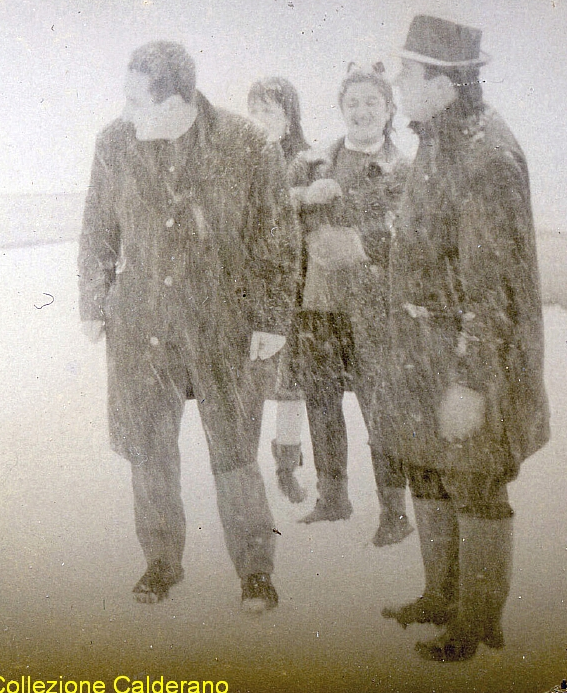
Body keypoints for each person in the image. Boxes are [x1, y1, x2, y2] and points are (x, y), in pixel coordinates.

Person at [79, 41, 299, 612]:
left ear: (174, 101)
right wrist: (92, 299)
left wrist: (274, 317)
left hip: (225, 323)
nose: (124, 111)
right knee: (149, 449)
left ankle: (255, 573)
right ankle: (160, 563)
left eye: (135, 100)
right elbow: (98, 227)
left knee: (235, 452)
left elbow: (277, 237)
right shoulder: (115, 143)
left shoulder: (246, 145)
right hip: (144, 322)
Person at [382, 15, 549, 661]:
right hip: (427, 349)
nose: (397, 81)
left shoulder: (488, 155)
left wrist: (471, 381)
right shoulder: (439, 139)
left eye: (408, 72)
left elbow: (495, 286)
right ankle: (440, 594)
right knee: (429, 470)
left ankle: (478, 620)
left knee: (476, 481)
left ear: (445, 85)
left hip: (471, 358)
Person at [293, 64, 413, 547]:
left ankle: (393, 511)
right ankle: (333, 497)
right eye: (353, 103)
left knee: (379, 407)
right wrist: (304, 195)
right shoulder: (315, 161)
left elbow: (410, 235)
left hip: (373, 309)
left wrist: (358, 242)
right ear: (341, 109)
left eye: (372, 103)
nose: (362, 112)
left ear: (388, 111)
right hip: (319, 303)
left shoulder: (406, 171)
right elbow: (275, 208)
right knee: (320, 401)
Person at [246, 77, 311, 504]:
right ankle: (242, 471)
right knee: (248, 384)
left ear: (289, 117)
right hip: (250, 288)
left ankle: (287, 466)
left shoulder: (303, 160)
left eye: (269, 110)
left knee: (290, 385)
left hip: (295, 288)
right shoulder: (238, 157)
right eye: (254, 111)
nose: (259, 120)